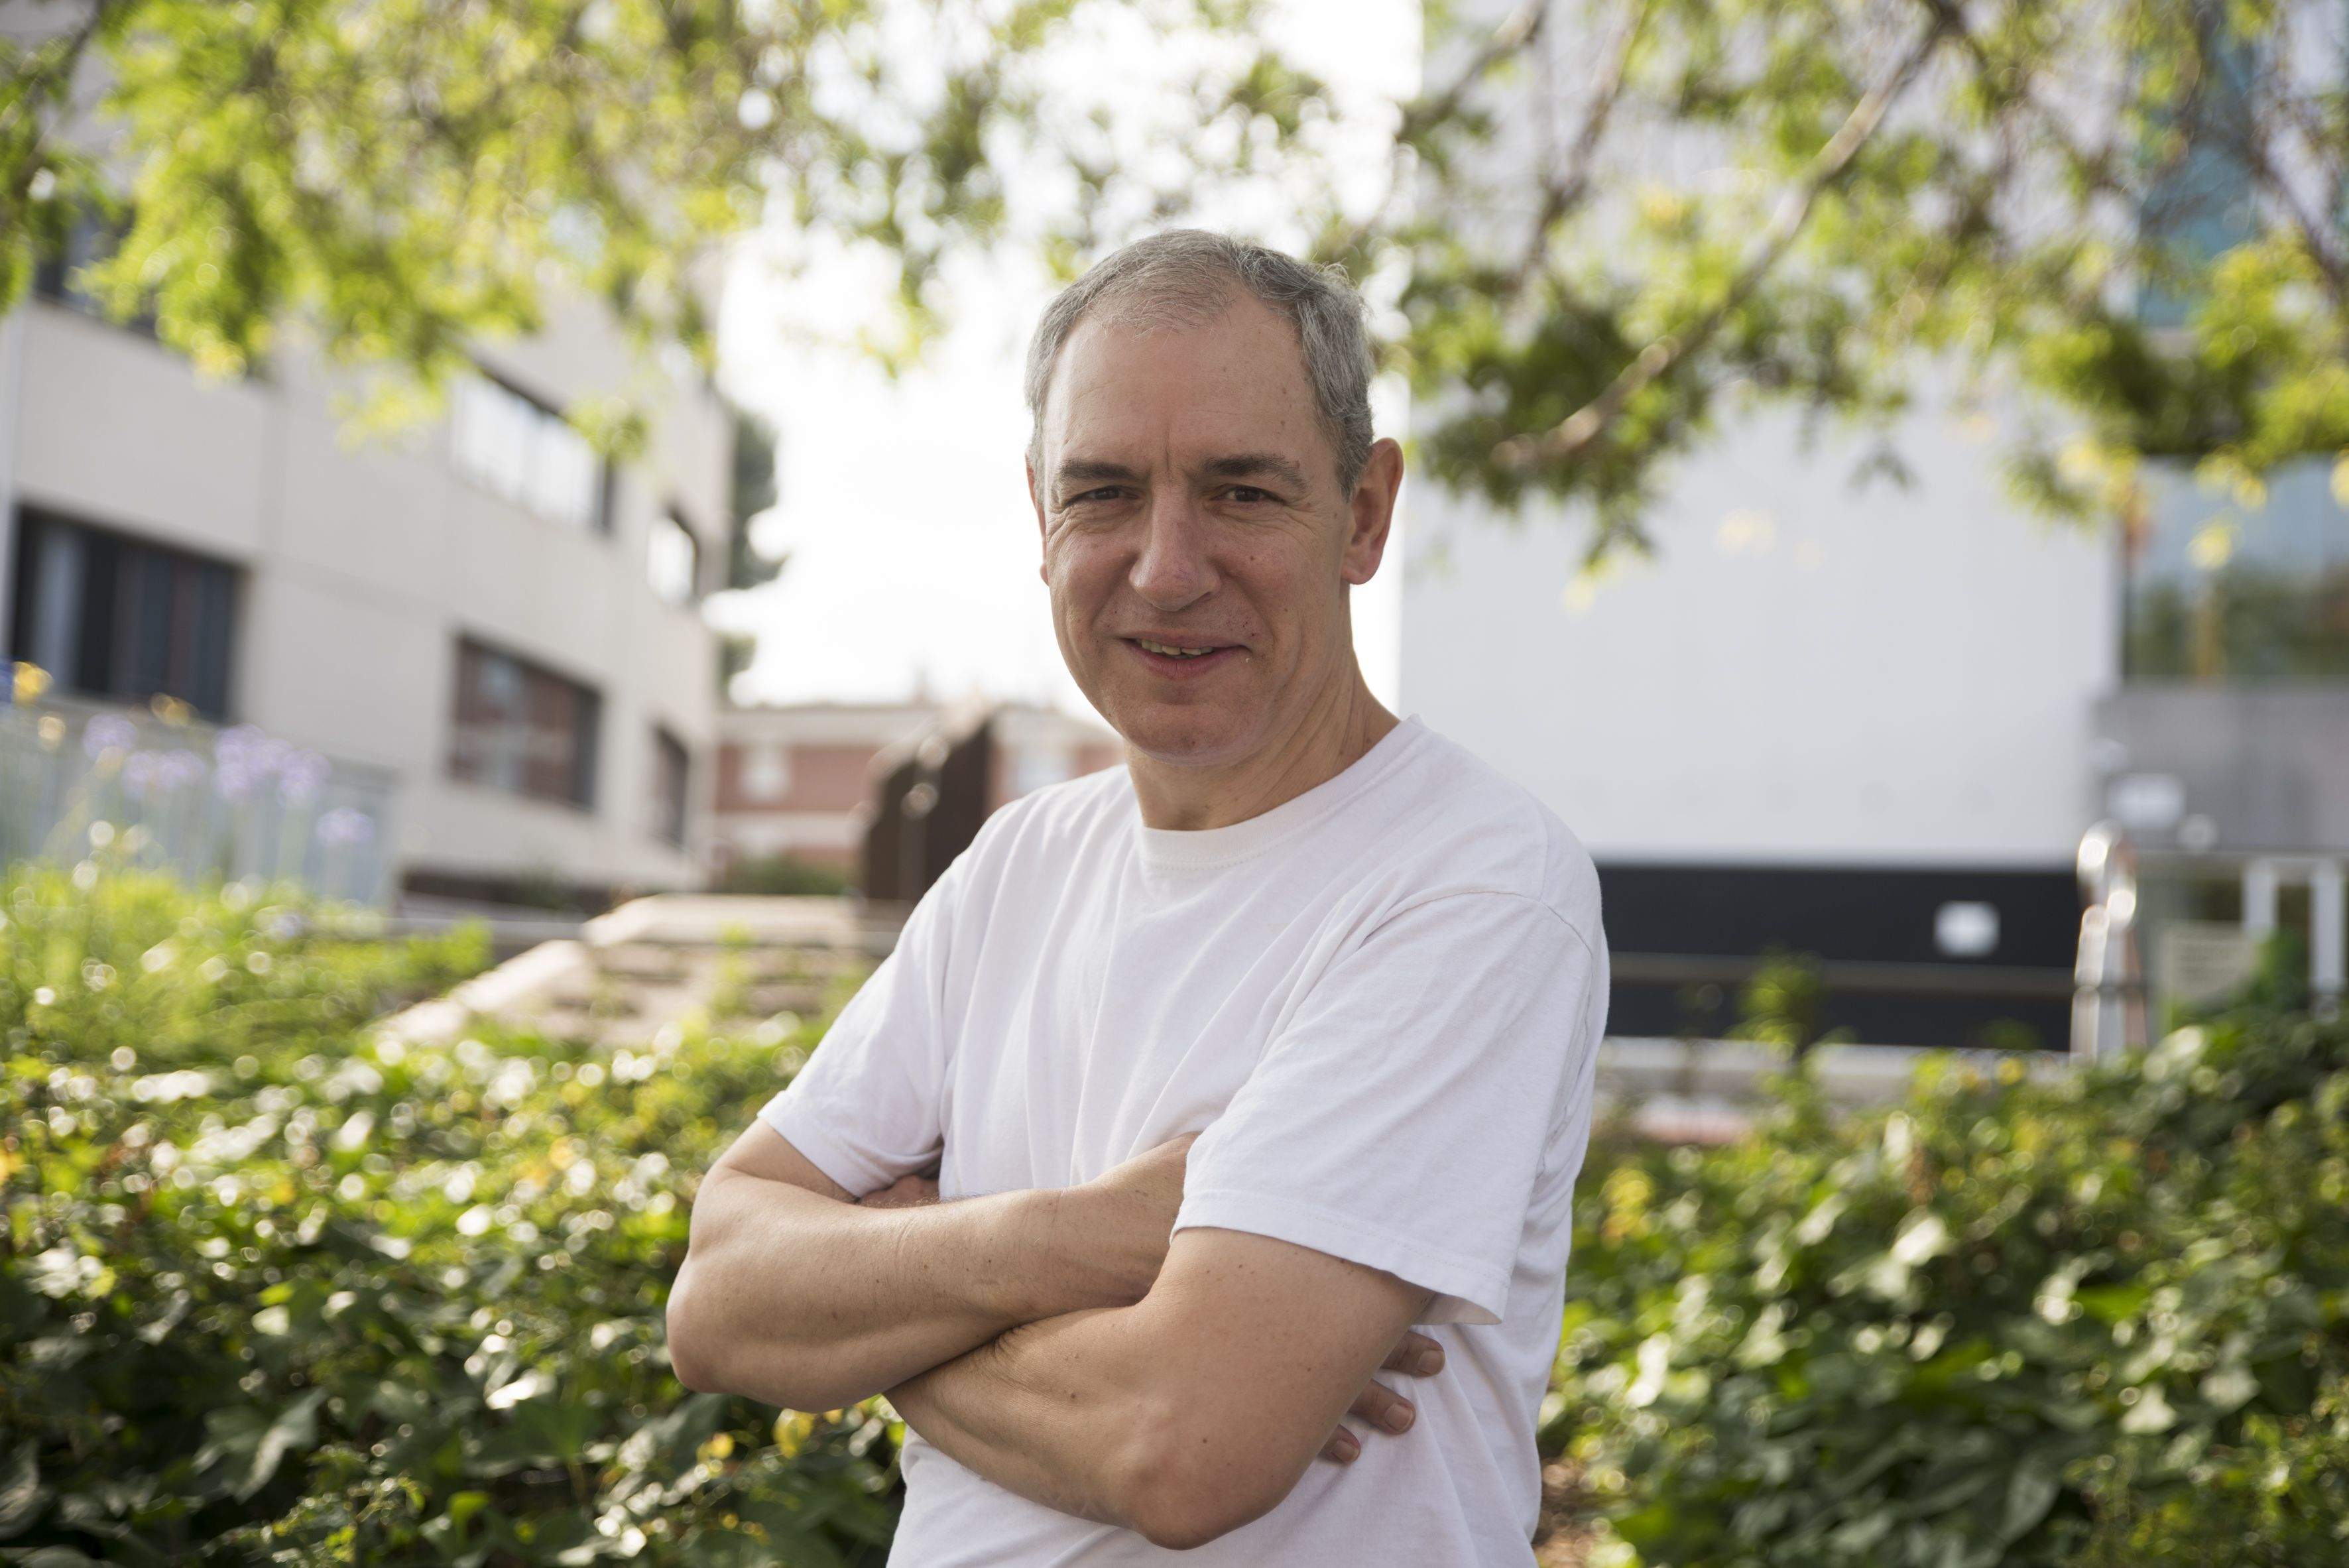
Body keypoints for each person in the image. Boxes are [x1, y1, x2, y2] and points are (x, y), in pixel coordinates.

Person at [667, 229, 1611, 1564]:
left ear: (1362, 513)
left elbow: (1175, 1445)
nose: (1165, 568)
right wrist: (1086, 1239)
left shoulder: (1470, 882)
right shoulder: (1015, 866)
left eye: (1239, 492)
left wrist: (888, 1303)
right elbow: (715, 1298)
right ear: (1039, 517)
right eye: (1102, 492)